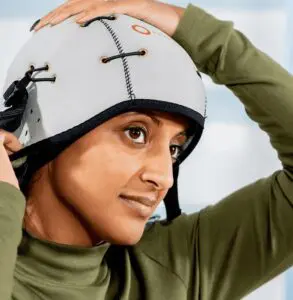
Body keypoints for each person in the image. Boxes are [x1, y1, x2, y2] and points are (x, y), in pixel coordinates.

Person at [0, 0, 292, 299]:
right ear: (46, 129)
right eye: (135, 133)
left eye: (175, 149)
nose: (164, 177)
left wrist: (209, 40)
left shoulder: (181, 266)